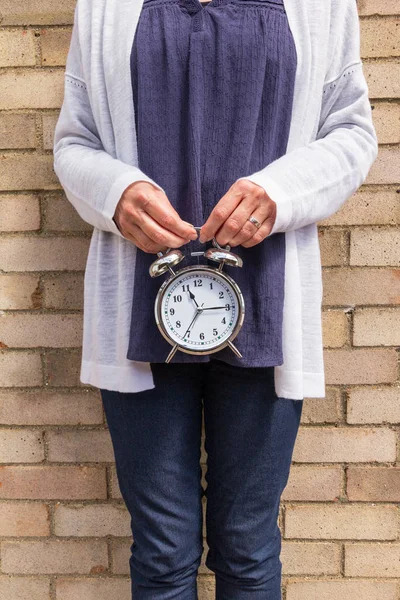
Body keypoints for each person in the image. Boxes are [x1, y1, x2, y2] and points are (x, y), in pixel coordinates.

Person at [53, 0, 378, 597]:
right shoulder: (105, 7)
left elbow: (353, 131)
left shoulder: (322, 7)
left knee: (249, 547)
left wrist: (280, 192)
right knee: (161, 551)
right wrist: (115, 192)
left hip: (268, 305)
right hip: (140, 312)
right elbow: (76, 141)